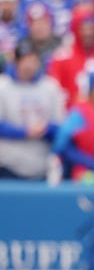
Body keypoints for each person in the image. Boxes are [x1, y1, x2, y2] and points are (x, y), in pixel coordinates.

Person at [0, 40, 65, 179]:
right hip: (8, 165)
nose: (29, 65)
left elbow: (60, 127)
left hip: (40, 165)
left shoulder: (50, 87)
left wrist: (46, 129)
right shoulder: (3, 86)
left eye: (33, 60)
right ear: (16, 62)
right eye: (25, 60)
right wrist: (26, 131)